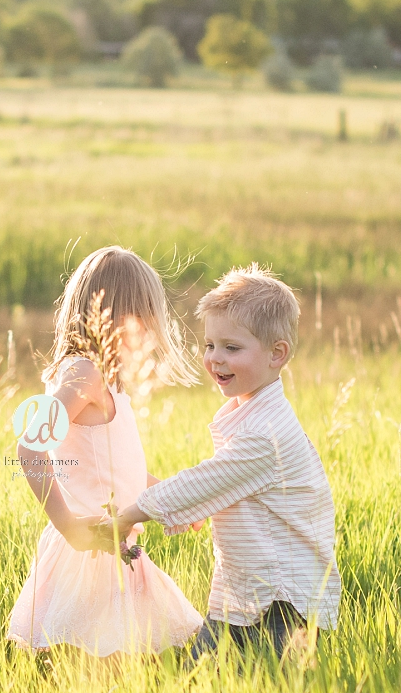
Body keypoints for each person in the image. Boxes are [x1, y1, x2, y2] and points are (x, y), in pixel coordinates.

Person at [88, 264, 340, 659]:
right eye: (209, 345)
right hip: (244, 595)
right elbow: (219, 489)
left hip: (283, 604)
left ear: (278, 354)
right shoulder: (250, 413)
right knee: (197, 681)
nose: (215, 359)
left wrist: (127, 515)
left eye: (232, 348)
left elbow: (204, 482)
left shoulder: (265, 433)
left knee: (264, 688)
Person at [6, 246, 204, 658]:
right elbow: (30, 446)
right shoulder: (86, 373)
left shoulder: (108, 382)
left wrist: (172, 498)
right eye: (143, 319)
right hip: (92, 549)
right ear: (114, 319)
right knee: (99, 657)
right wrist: (68, 525)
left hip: (117, 545)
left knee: (127, 656)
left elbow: (119, 473)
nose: (150, 333)